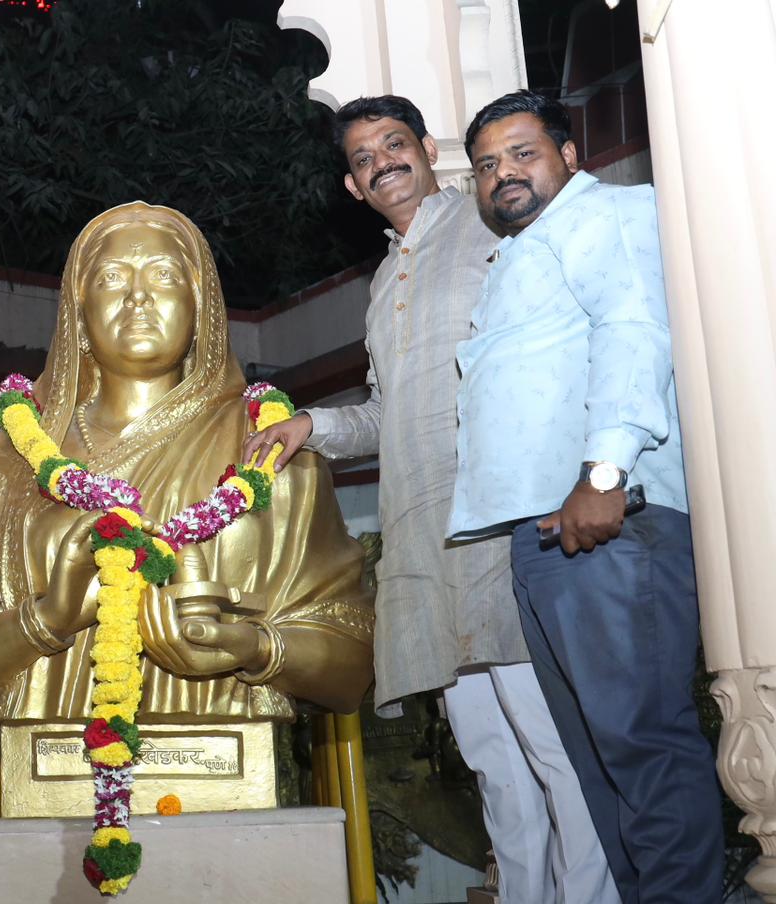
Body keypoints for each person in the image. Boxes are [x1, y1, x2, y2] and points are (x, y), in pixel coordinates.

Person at [244, 95, 617, 904]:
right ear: (354, 187)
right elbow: (387, 412)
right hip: (425, 540)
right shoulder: (384, 283)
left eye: (394, 143)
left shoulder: (487, 223)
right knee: (491, 760)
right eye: (365, 158)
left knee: (553, 743)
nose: (383, 162)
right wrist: (310, 425)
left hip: (504, 521)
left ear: (425, 148)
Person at [0, 201, 373, 746]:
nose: (138, 296)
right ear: (79, 314)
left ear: (201, 307)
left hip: (227, 765)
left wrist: (257, 647)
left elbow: (356, 659)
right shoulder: (11, 466)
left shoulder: (271, 455)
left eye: (165, 275)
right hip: (45, 768)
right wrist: (46, 620)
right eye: (111, 278)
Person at [454, 89, 724, 904]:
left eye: (523, 153)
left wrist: (604, 473)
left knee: (641, 745)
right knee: (598, 765)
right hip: (544, 534)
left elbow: (636, 331)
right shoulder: (519, 257)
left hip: (609, 519)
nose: (503, 173)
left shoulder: (608, 213)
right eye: (486, 165)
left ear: (570, 156)